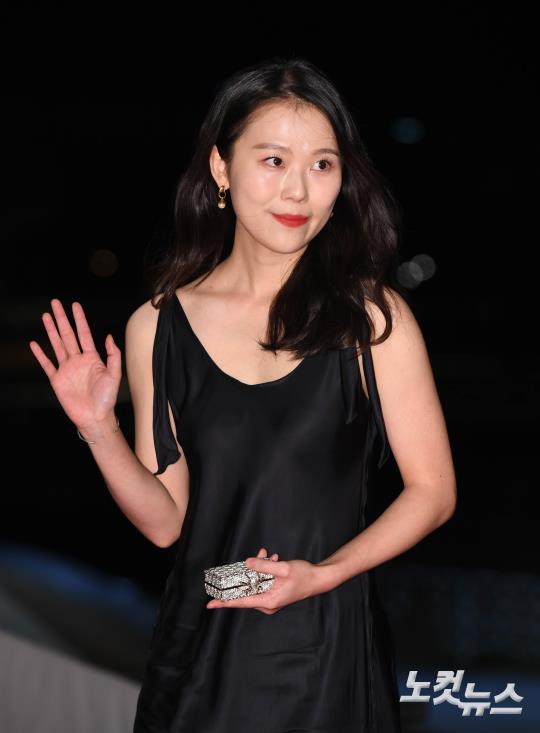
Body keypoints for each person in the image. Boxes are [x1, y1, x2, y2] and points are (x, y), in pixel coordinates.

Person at [29, 56, 457, 733]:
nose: (298, 190)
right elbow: (166, 523)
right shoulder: (158, 325)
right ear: (221, 168)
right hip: (196, 661)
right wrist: (99, 428)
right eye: (273, 160)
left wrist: (322, 575)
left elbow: (433, 492)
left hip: (326, 654)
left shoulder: (372, 318)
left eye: (322, 164)